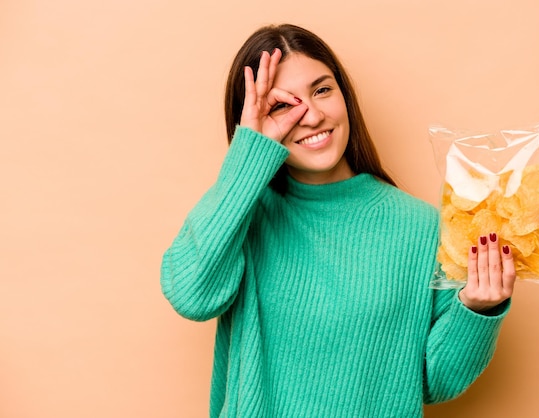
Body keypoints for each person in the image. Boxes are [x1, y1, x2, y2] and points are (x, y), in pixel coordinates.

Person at [160, 23, 515, 418]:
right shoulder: (243, 217)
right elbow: (191, 295)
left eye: (322, 90)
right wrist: (249, 152)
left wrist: (477, 309)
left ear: (344, 94)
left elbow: (433, 382)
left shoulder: (422, 227)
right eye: (282, 105)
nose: (311, 116)